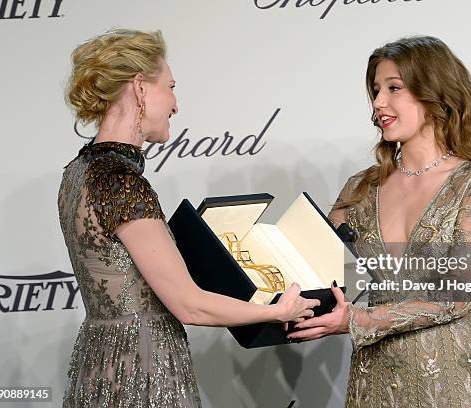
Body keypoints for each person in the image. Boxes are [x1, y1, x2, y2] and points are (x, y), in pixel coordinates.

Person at [58, 29, 319, 408]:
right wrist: (279, 310)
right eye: (171, 87)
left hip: (99, 364)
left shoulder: (76, 173)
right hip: (144, 370)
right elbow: (189, 304)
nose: (176, 104)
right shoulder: (122, 183)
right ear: (140, 89)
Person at [288, 36, 471, 407]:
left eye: (393, 88)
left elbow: (456, 296)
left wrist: (356, 321)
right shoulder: (361, 186)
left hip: (447, 376)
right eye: (375, 90)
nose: (378, 103)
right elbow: (317, 269)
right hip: (373, 378)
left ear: (435, 93)